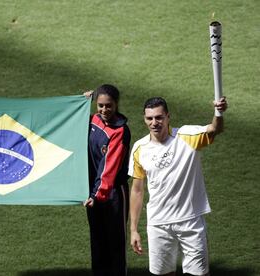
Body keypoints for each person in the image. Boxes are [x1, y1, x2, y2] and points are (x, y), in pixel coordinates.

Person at [129, 96, 228, 276]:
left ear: (168, 117)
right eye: (149, 118)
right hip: (158, 224)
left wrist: (218, 112)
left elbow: (215, 128)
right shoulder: (139, 148)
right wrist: (134, 229)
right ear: (144, 119)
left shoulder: (187, 136)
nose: (154, 123)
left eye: (159, 117)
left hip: (190, 222)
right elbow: (137, 190)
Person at [83, 84, 131, 276]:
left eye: (108, 106)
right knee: (97, 241)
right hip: (93, 193)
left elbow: (109, 168)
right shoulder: (93, 120)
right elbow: (71, 120)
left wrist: (97, 194)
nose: (104, 110)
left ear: (116, 104)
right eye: (100, 105)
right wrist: (82, 102)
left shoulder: (120, 131)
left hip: (113, 194)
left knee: (115, 243)